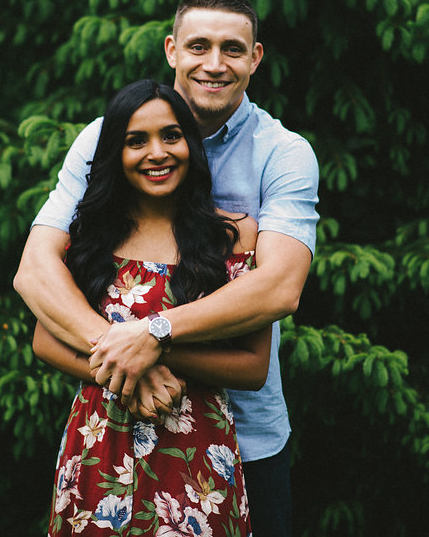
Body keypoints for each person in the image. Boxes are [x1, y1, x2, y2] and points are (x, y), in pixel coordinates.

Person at [15, 0, 320, 537]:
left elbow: (278, 290)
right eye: (199, 45)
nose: (214, 63)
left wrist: (153, 334)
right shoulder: (104, 141)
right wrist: (126, 356)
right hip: (111, 436)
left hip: (243, 443)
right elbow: (36, 268)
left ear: (255, 59)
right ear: (172, 49)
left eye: (233, 49)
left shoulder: (283, 153)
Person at [30, 79, 269, 535]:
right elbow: (45, 340)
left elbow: (254, 367)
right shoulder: (89, 235)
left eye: (171, 136)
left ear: (191, 145)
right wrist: (129, 372)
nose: (156, 152)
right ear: (114, 155)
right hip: (100, 446)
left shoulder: (234, 236)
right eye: (135, 141)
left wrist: (154, 349)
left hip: (198, 457)